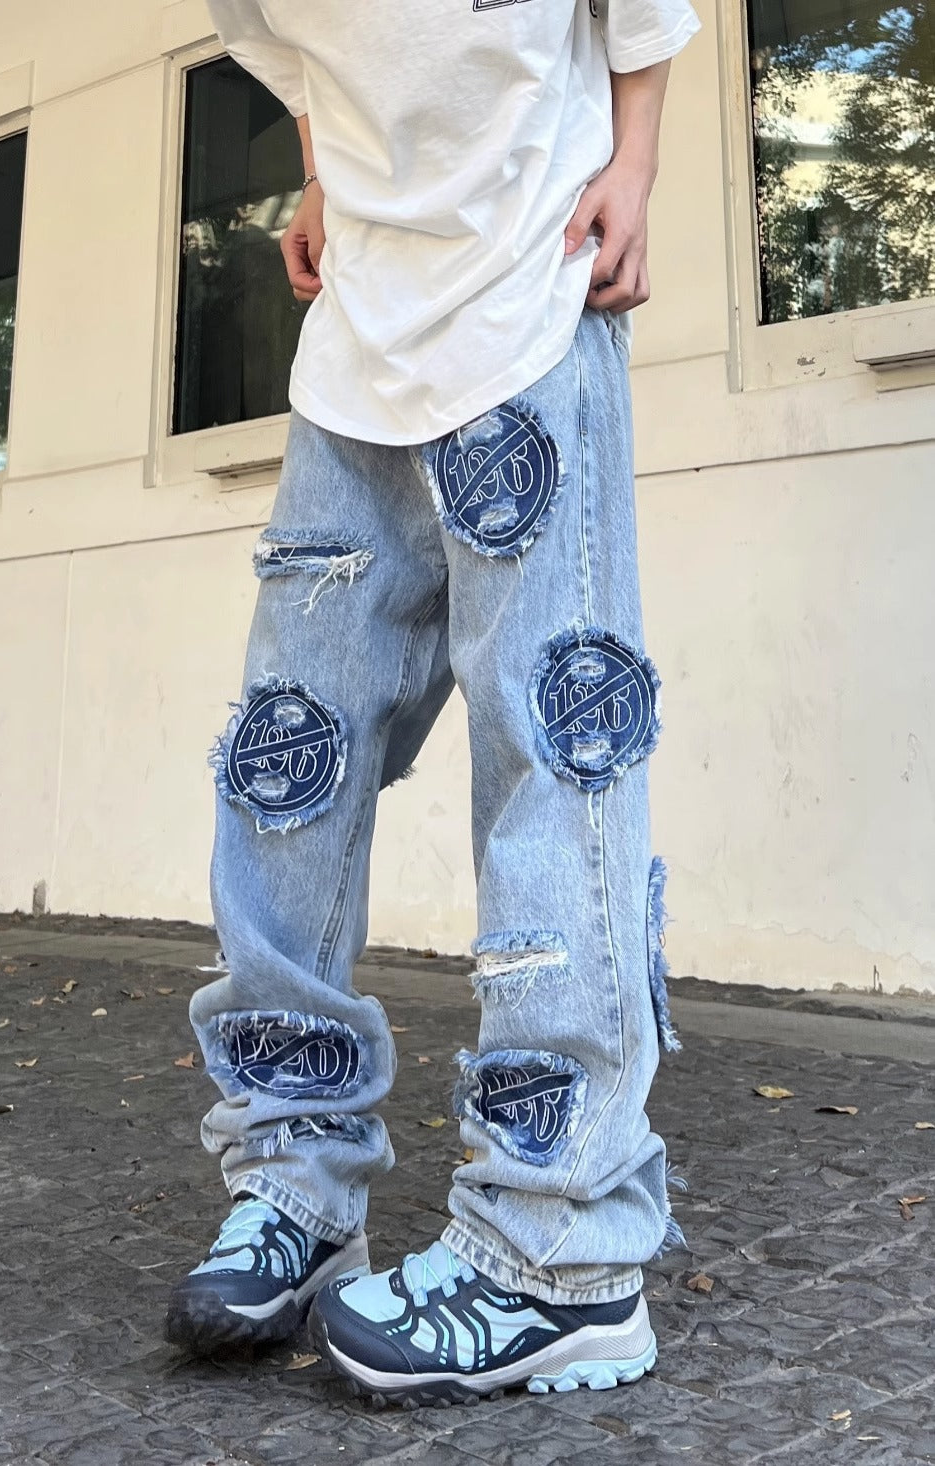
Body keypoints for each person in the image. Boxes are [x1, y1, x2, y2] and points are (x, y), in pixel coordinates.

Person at [165, 0, 699, 1406]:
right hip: (356, 351)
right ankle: (295, 1174)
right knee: (284, 774)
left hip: (531, 304)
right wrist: (325, 174)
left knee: (554, 762)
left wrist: (635, 163)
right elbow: (297, 46)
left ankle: (560, 1244)